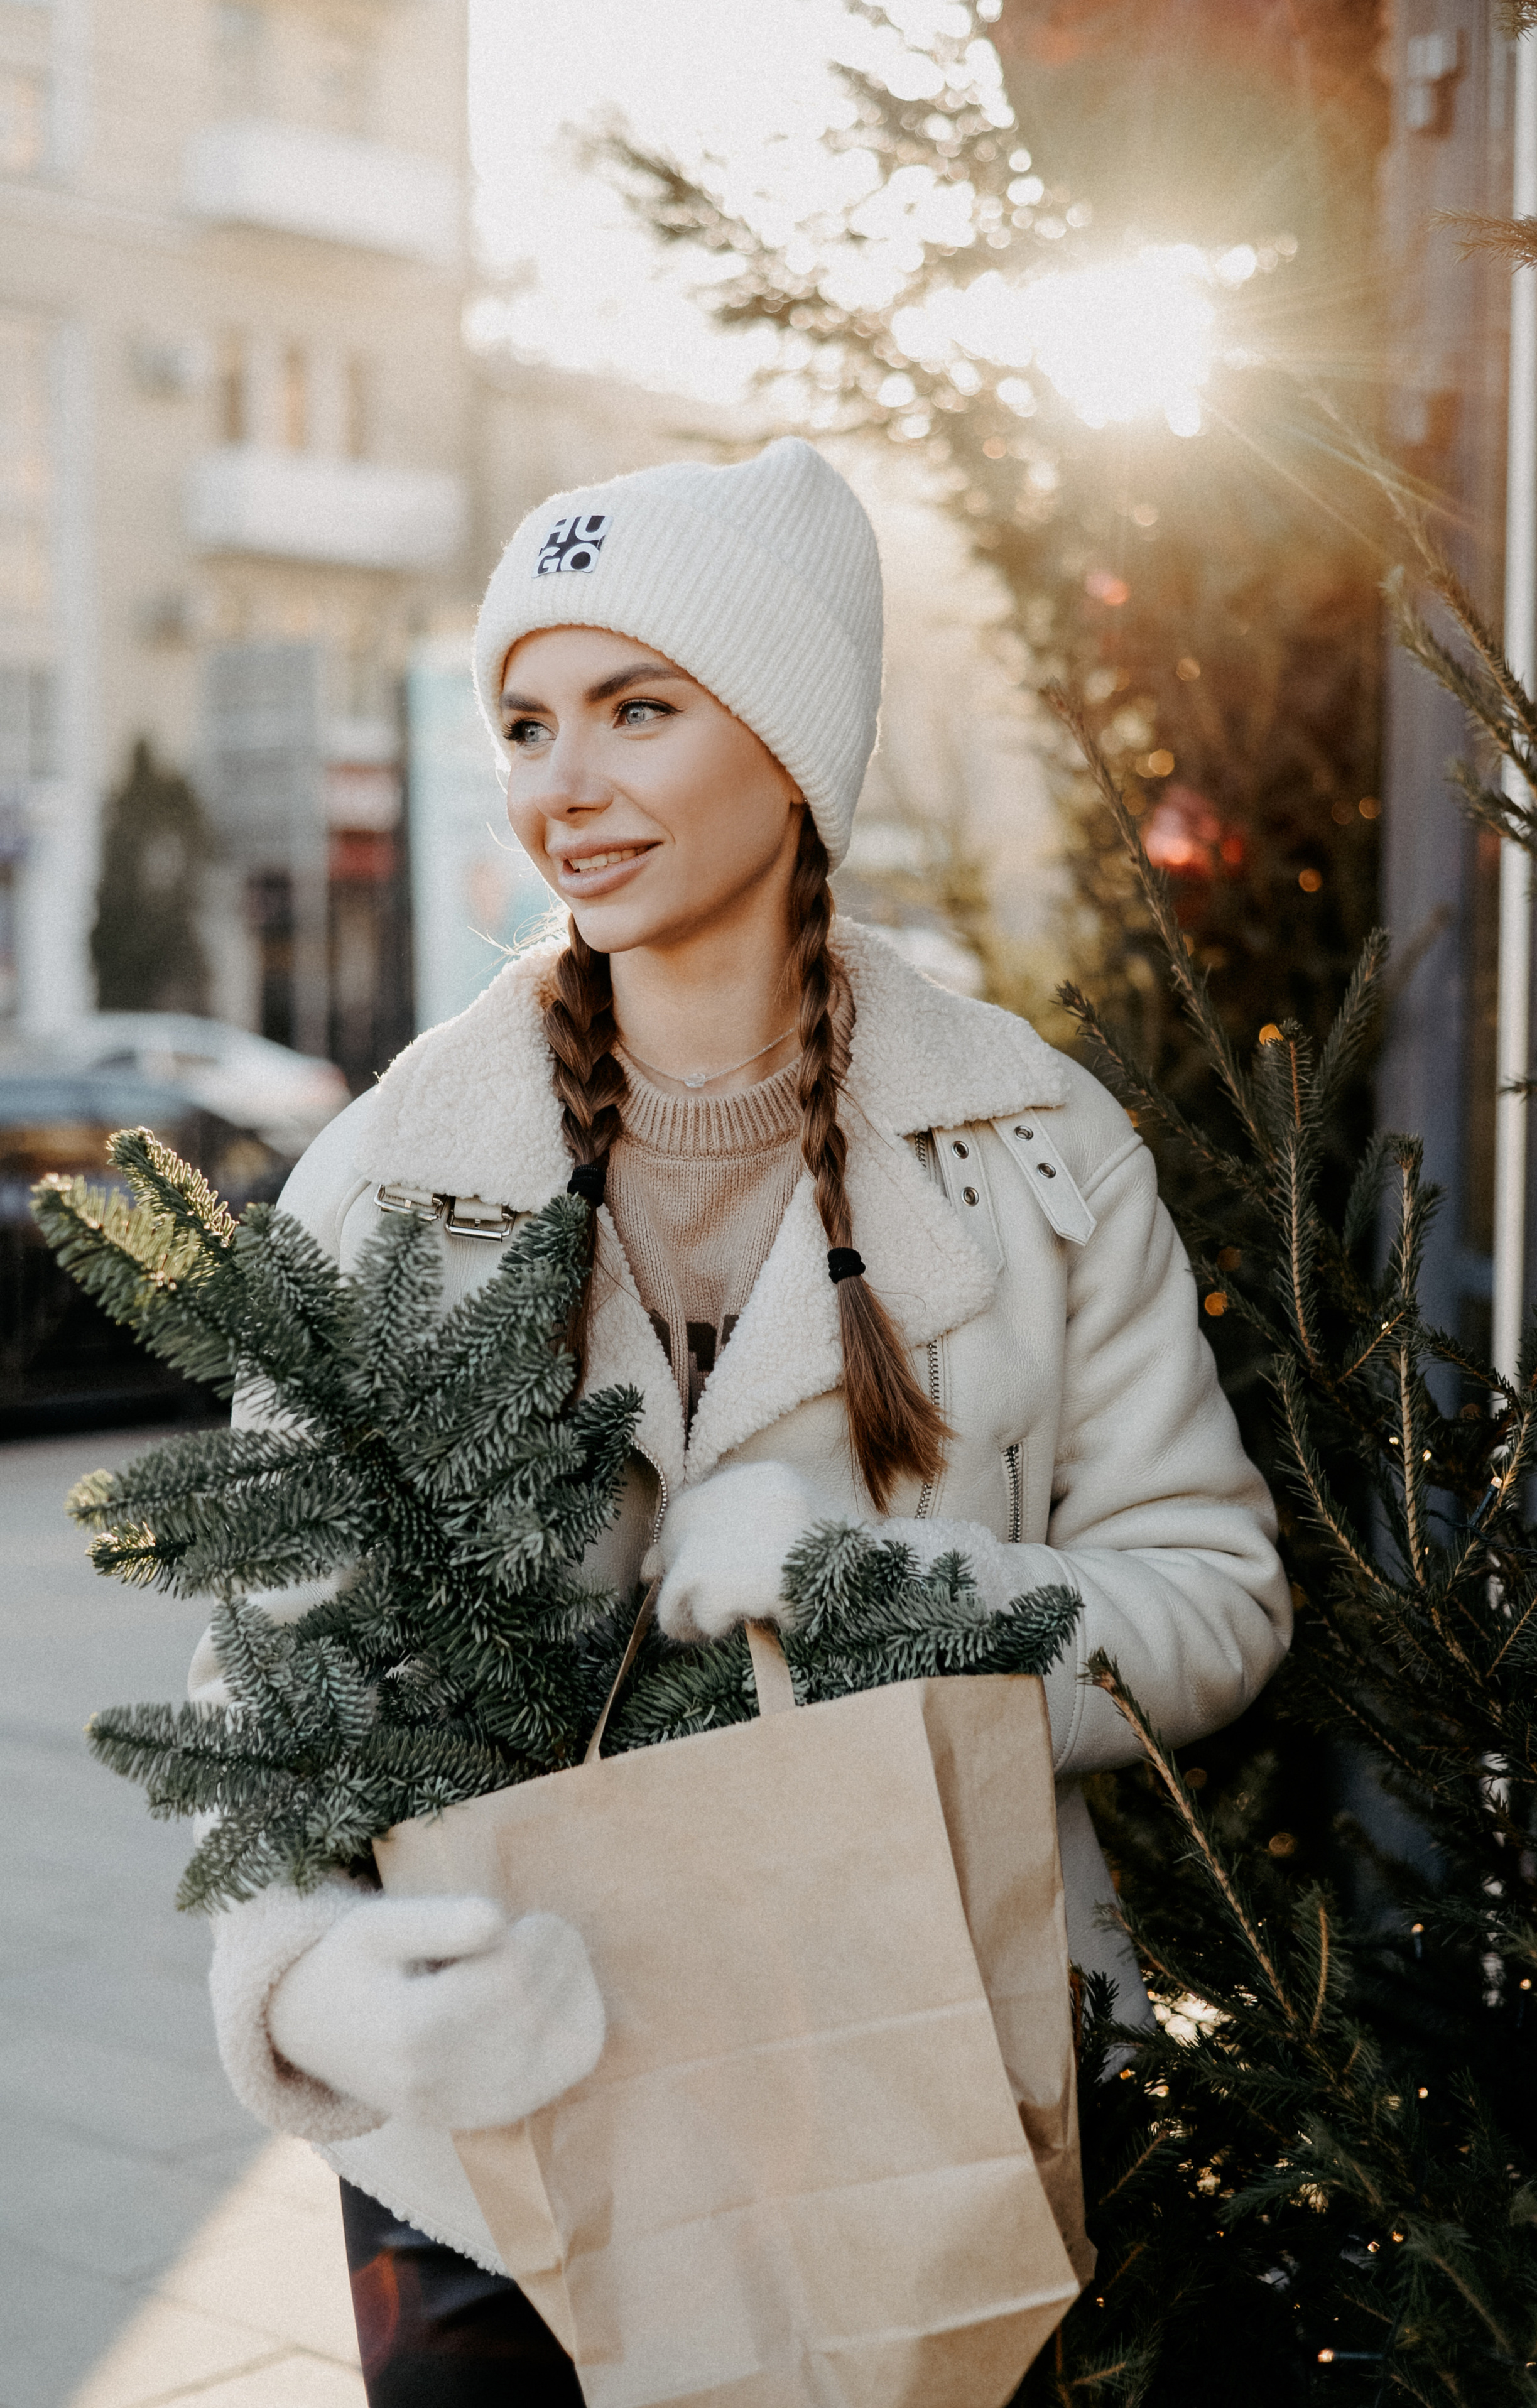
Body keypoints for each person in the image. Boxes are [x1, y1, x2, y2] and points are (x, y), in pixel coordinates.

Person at [194, 437, 1291, 2404]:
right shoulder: (385, 1182)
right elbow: (261, 1687)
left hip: (909, 2081)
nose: (564, 786)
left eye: (638, 708)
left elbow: (1211, 1598)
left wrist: (876, 1598)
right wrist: (315, 1978)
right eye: (528, 721)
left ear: (789, 748)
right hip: (490, 2158)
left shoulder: (1035, 1153)